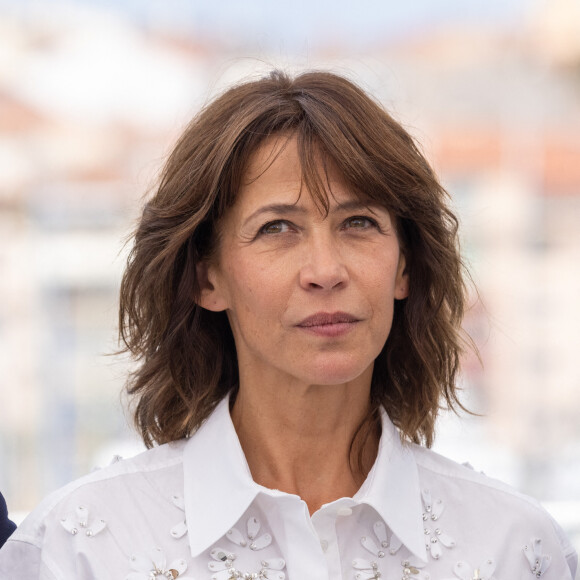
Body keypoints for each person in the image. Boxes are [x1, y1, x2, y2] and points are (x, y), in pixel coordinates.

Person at [0, 70, 576, 579]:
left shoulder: (514, 547)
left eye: (359, 223)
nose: (326, 271)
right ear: (207, 278)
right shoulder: (79, 548)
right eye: (278, 228)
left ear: (404, 267)